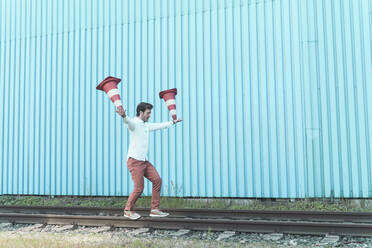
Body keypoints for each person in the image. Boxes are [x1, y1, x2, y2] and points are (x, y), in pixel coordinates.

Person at [116, 102, 182, 220]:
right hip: (135, 161)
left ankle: (155, 209)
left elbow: (158, 125)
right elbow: (128, 123)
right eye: (148, 113)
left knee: (157, 180)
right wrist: (124, 116)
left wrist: (172, 122)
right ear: (141, 112)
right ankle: (127, 210)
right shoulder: (135, 123)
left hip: (144, 161)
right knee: (139, 188)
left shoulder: (145, 125)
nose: (149, 115)